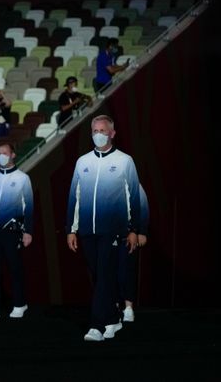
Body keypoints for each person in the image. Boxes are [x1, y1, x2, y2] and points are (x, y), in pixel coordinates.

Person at [66, 114, 140, 342]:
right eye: (95, 131)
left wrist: (133, 229)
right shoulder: (82, 162)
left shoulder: (125, 161)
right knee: (99, 277)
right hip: (87, 229)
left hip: (113, 230)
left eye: (103, 131)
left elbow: (133, 197)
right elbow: (74, 198)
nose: (99, 135)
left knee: (105, 273)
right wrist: (71, 228)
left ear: (112, 133)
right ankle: (113, 318)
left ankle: (96, 325)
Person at [0, 143, 33, 319]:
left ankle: (20, 303)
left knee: (14, 268)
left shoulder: (22, 178)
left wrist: (28, 231)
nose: (1, 156)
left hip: (11, 230)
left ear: (13, 155)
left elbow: (28, 206)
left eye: (5, 153)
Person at [118, 184, 149, 322]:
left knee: (128, 270)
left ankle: (128, 307)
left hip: (129, 235)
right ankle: (113, 306)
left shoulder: (134, 184)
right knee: (110, 272)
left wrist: (141, 232)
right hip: (109, 235)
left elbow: (143, 206)